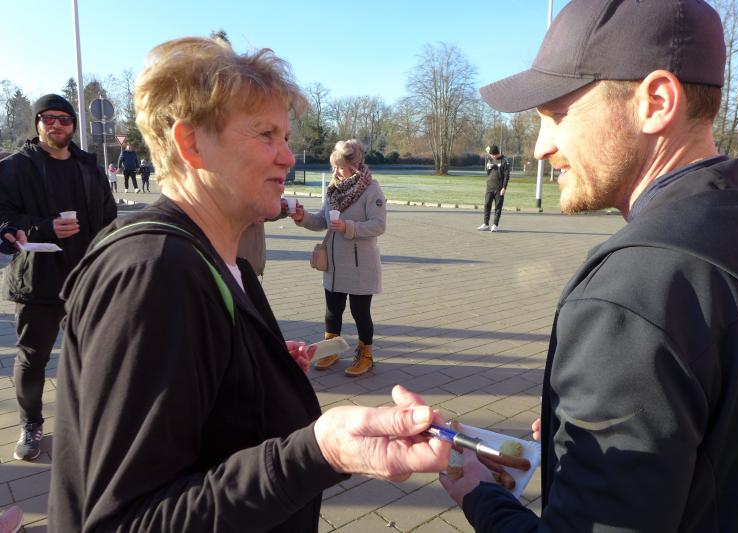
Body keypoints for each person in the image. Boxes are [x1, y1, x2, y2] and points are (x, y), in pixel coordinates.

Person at [48, 38, 448, 532]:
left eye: (286, 136)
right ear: (191, 144)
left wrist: (256, 370)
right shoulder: (154, 275)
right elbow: (128, 521)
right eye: (266, 134)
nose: (288, 156)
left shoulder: (219, 260)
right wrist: (319, 452)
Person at [441, 1, 738, 531]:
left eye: (558, 115)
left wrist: (481, 495)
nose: (541, 147)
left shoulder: (635, 292)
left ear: (656, 102)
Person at [0, 93, 117, 462]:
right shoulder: (16, 167)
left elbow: (109, 217)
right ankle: (31, 424)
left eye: (64, 119)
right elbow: (3, 217)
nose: (56, 124)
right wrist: (44, 227)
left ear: (73, 126)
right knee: (33, 358)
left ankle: (88, 420)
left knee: (92, 355)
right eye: (48, 118)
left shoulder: (88, 167)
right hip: (37, 281)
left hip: (86, 280)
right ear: (37, 123)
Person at [292, 139, 387, 377]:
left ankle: (366, 355)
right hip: (333, 265)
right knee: (332, 311)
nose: (336, 172)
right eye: (334, 166)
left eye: (340, 167)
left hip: (360, 265)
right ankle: (330, 350)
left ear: (355, 166)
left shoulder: (371, 189)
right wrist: (302, 217)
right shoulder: (333, 189)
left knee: (360, 312)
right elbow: (322, 221)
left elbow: (379, 225)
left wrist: (348, 226)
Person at [477, 145, 510, 232]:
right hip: (489, 187)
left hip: (499, 188)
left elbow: (507, 176)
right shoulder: (490, 159)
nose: (491, 156)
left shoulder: (504, 161)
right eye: (490, 155)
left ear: (496, 154)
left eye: (492, 155)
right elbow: (488, 172)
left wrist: (504, 188)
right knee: (487, 205)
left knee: (498, 207)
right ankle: (486, 224)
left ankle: (495, 225)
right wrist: (488, 167)